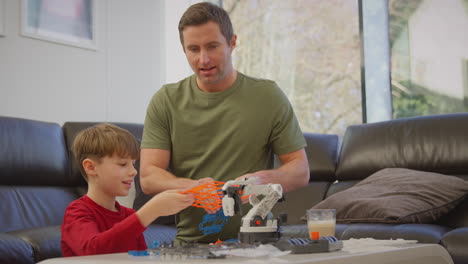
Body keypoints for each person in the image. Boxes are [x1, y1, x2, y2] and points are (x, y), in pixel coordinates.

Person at [140, 2, 309, 244]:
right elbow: (149, 176)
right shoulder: (165, 101)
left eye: (212, 46)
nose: (203, 59)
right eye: (193, 49)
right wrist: (195, 188)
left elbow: (300, 170)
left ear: (232, 43)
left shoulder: (268, 96)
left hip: (260, 243)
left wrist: (263, 180)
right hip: (191, 245)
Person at [61, 123, 194, 256]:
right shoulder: (77, 212)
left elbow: (140, 258)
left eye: (133, 164)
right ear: (90, 167)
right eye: (123, 164)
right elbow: (94, 251)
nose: (134, 172)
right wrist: (151, 211)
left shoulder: (128, 215)